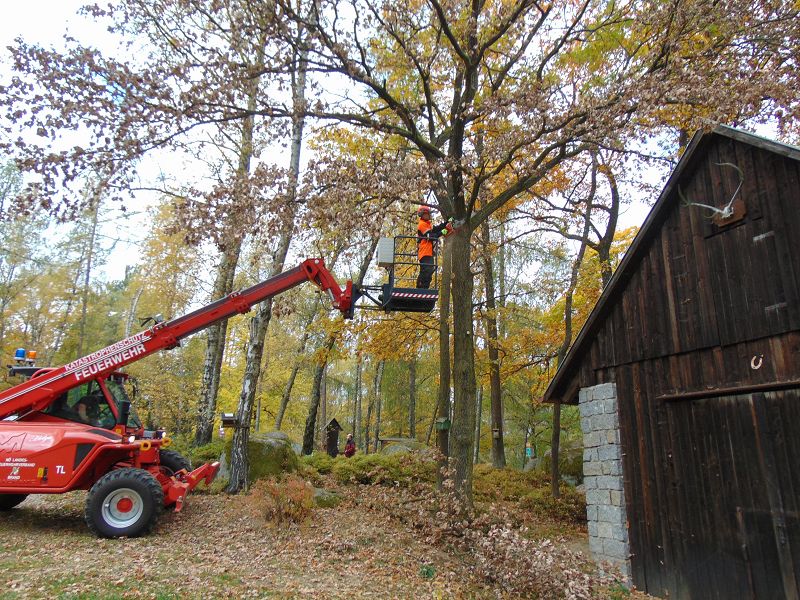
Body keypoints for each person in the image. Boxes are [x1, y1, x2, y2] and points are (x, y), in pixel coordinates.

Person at [415, 205, 452, 288]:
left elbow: (436, 229)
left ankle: (425, 287)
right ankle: (420, 287)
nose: (429, 215)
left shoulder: (428, 224)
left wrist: (446, 223)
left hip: (428, 252)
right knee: (426, 270)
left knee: (429, 270)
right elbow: (431, 236)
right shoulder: (422, 225)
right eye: (427, 214)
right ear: (423, 214)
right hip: (424, 252)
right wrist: (442, 232)